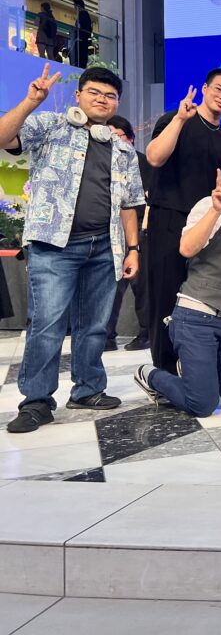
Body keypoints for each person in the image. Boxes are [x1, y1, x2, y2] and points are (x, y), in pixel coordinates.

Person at [0, 65, 144, 433]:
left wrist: (133, 248)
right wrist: (31, 102)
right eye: (94, 92)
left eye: (110, 96)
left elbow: (130, 204)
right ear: (78, 96)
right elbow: (3, 138)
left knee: (94, 325)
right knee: (47, 325)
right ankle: (36, 401)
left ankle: (88, 389)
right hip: (54, 245)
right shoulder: (50, 127)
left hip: (105, 247)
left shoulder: (123, 149)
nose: (102, 100)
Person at [133, 155, 221, 417]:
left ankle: (197, 373)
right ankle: (151, 375)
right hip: (197, 315)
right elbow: (187, 248)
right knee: (202, 406)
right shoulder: (211, 204)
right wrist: (215, 210)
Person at [145, 69, 221, 373]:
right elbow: (154, 157)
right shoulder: (176, 119)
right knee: (165, 294)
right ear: (204, 88)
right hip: (169, 217)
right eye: (219, 89)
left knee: (198, 295)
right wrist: (179, 120)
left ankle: (193, 365)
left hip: (205, 225)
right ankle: (163, 370)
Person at [105, 116, 151, 352]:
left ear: (131, 138)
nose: (113, 140)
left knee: (140, 285)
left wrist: (144, 229)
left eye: (118, 135)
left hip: (139, 229)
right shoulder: (103, 161)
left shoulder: (142, 162)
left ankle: (146, 334)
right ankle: (106, 336)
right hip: (111, 230)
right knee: (111, 286)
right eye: (108, 135)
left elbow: (149, 198)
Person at [70, 0, 92, 68]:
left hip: (81, 40)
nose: (74, 8)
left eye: (74, 6)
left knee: (79, 59)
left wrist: (79, 37)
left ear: (78, 6)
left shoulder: (83, 14)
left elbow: (83, 27)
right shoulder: (83, 14)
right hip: (82, 40)